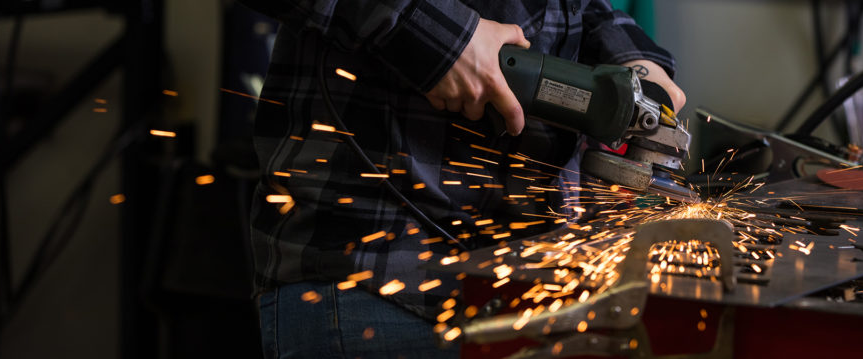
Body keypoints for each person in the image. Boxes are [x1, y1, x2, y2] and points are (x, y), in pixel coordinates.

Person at [239, 1, 685, 358]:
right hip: (373, 281)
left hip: (526, 290)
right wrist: (433, 33)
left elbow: (576, 8)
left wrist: (635, 63)